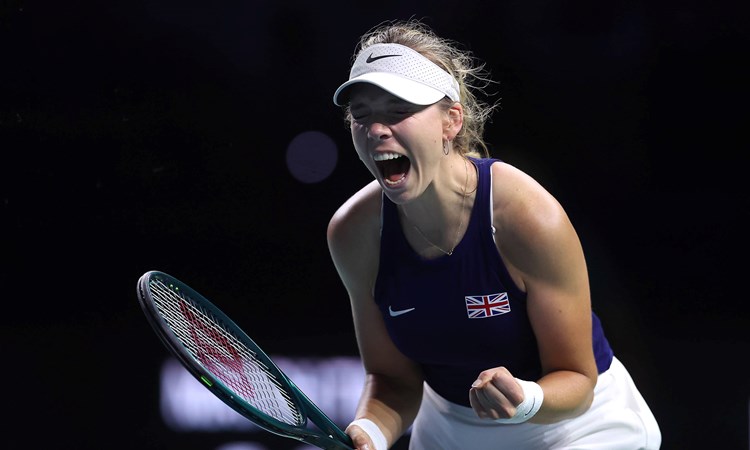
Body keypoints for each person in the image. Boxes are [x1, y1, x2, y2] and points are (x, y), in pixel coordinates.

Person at [326, 19, 661, 450]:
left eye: (398, 111)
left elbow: (577, 379)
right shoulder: (353, 232)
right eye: (362, 114)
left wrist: (525, 398)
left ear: (450, 121)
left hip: (576, 427)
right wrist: (369, 432)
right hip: (451, 431)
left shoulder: (525, 216)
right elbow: (391, 380)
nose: (375, 130)